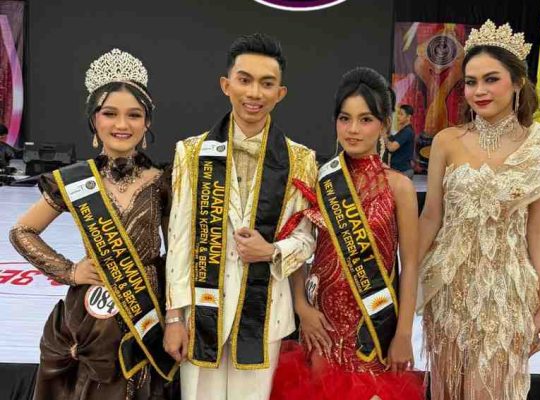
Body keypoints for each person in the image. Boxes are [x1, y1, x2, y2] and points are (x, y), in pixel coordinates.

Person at [418, 20, 540, 400]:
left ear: (518, 82)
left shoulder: (538, 146)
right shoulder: (447, 141)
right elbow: (431, 217)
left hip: (506, 288)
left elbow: (537, 231)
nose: (479, 91)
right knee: (449, 386)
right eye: (471, 82)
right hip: (450, 286)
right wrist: (405, 283)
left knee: (491, 388)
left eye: (491, 79)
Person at [9, 48, 177, 399]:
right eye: (109, 113)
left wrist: (176, 313)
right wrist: (69, 271)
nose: (122, 125)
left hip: (147, 305)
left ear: (147, 123)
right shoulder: (74, 181)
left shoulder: (163, 180)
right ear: (94, 120)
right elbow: (22, 232)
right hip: (92, 313)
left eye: (134, 115)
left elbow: (175, 251)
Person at [162, 33, 317, 400]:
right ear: (226, 85)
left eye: (267, 83)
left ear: (280, 93)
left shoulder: (301, 159)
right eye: (244, 80)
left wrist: (272, 251)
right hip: (199, 314)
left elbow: (307, 239)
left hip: (265, 315)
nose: (254, 93)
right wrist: (174, 317)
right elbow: (179, 240)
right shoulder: (191, 152)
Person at [270, 67, 423, 400]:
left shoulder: (400, 187)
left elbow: (410, 265)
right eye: (345, 118)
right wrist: (302, 308)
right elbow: (296, 247)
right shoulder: (319, 178)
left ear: (384, 124)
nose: (353, 130)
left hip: (374, 327)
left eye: (365, 119)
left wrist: (403, 333)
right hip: (322, 325)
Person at [383, 104, 415, 178]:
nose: (398, 116)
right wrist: (387, 130)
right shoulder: (402, 131)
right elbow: (390, 140)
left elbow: (391, 148)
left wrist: (384, 135)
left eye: (401, 114)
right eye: (398, 114)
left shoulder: (407, 132)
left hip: (403, 171)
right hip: (398, 171)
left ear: (408, 117)